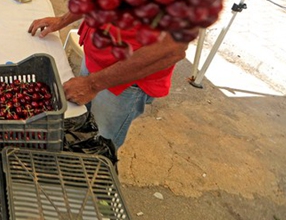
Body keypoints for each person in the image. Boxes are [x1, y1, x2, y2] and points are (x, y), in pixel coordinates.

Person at [28, 14, 188, 150]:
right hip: (97, 57)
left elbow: (172, 49)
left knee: (98, 143)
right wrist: (63, 19)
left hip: (124, 81)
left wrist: (92, 84)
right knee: (77, 125)